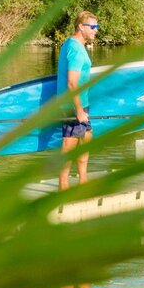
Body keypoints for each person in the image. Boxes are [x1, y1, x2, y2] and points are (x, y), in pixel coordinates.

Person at [58, 11, 98, 190]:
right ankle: (63, 186)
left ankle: (83, 181)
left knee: (86, 138)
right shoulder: (76, 49)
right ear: (81, 27)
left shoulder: (72, 44)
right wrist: (79, 109)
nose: (96, 30)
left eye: (97, 26)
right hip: (73, 104)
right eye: (93, 27)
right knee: (70, 143)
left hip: (82, 102)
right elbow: (71, 82)